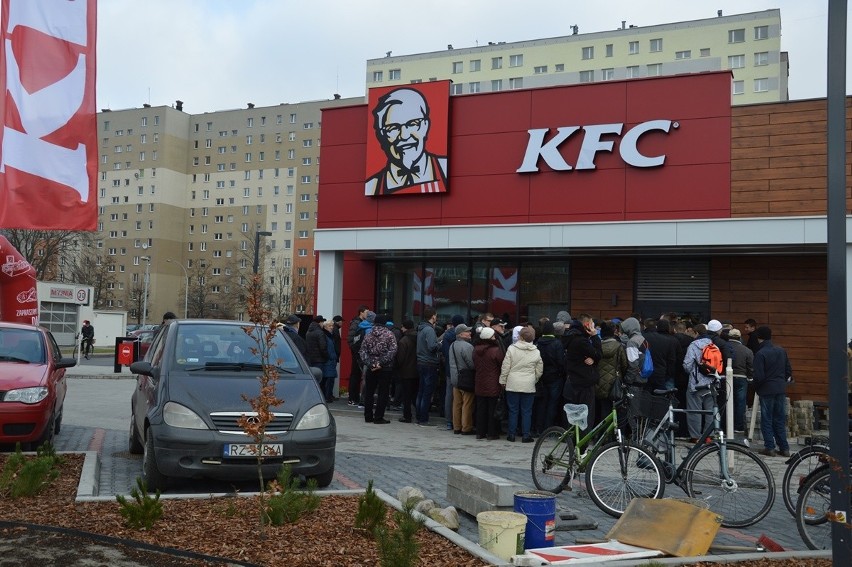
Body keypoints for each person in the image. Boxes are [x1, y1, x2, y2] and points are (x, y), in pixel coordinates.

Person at [365, 87, 448, 196]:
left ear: (425, 126)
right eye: (393, 128)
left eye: (412, 124)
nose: (404, 136)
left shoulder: (445, 169)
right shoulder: (371, 187)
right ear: (381, 135)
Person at [753, 326, 792, 457]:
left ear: (759, 337)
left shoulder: (760, 354)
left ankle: (769, 447)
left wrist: (757, 387)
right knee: (779, 419)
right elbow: (788, 370)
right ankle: (784, 448)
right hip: (780, 388)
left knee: (767, 419)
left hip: (766, 389)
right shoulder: (781, 350)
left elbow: (759, 376)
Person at [500, 326, 543, 443]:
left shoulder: (512, 349)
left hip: (512, 382)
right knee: (527, 411)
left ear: (521, 337)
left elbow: (505, 367)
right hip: (528, 384)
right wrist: (534, 379)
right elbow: (539, 370)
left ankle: (511, 434)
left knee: (513, 410)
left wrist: (503, 381)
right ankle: (526, 435)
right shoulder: (536, 351)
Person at [563, 314, 602, 432]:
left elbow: (593, 356)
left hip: (573, 381)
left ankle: (572, 441)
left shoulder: (571, 337)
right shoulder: (581, 341)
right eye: (591, 324)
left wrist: (593, 359)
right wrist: (595, 336)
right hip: (584, 382)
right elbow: (599, 354)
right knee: (586, 416)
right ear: (587, 325)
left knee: (575, 416)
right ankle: (581, 445)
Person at [359, 314, 398, 424]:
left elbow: (362, 351)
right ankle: (378, 417)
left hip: (371, 367)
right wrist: (381, 362)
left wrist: (371, 363)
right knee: (383, 392)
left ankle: (368, 416)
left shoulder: (368, 334)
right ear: (385, 323)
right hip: (385, 368)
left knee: (369, 392)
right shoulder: (389, 334)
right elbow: (393, 350)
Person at [683, 323, 718, 442]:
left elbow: (687, 365)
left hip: (696, 383)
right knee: (710, 410)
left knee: (694, 410)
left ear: (696, 333)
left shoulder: (694, 345)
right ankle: (709, 435)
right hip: (712, 382)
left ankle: (695, 436)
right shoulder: (714, 345)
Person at [534, 320, 567, 433]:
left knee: (541, 403)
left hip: (541, 377)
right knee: (552, 403)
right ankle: (548, 429)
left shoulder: (538, 343)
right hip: (555, 377)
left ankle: (539, 428)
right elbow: (561, 361)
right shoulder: (557, 343)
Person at [473, 326, 505, 440]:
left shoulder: (476, 349)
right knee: (492, 409)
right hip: (493, 383)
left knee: (481, 409)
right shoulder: (496, 351)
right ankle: (492, 433)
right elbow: (502, 364)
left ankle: (480, 432)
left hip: (479, 382)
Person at [415, 307, 441, 426]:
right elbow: (432, 347)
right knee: (427, 393)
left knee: (421, 391)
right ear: (433, 316)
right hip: (429, 363)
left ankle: (419, 416)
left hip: (421, 362)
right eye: (436, 315)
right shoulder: (429, 330)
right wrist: (440, 344)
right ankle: (423, 419)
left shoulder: (421, 328)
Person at [448, 323, 476, 435]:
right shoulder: (468, 346)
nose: (470, 333)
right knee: (467, 404)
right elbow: (472, 364)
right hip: (466, 379)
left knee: (456, 404)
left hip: (455, 378)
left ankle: (457, 427)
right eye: (467, 331)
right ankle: (466, 427)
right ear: (460, 334)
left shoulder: (452, 345)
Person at [727, 328, 754, 433]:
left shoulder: (725, 348)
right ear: (739, 337)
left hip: (727, 377)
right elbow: (750, 366)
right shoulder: (747, 350)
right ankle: (738, 427)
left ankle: (727, 425)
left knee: (727, 401)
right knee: (740, 403)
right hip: (742, 377)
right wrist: (750, 377)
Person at [441, 314, 464, 430]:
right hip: (463, 369)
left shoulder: (446, 335)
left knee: (449, 395)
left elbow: (445, 352)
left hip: (450, 368)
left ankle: (449, 421)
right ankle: (460, 421)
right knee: (463, 396)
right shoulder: (463, 336)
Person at [395, 320, 419, 423]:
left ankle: (407, 416)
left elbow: (400, 359)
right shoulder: (419, 338)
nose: (401, 329)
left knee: (407, 396)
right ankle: (419, 414)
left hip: (406, 372)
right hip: (418, 371)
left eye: (402, 327)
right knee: (416, 395)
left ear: (406, 328)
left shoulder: (403, 341)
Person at [346, 306, 370, 406]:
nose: (368, 315)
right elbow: (351, 339)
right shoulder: (356, 323)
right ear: (361, 313)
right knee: (355, 375)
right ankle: (352, 398)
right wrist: (356, 352)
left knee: (358, 375)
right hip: (357, 353)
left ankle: (355, 397)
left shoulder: (359, 323)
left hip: (359, 353)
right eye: (366, 313)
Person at [319, 320, 338, 403]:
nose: (332, 327)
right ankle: (327, 397)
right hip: (329, 361)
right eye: (330, 326)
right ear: (325, 326)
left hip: (331, 360)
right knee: (328, 380)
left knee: (329, 379)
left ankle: (328, 396)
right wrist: (330, 357)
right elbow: (325, 349)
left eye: (332, 326)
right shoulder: (325, 336)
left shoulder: (329, 335)